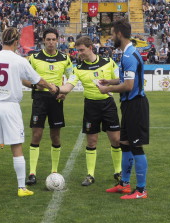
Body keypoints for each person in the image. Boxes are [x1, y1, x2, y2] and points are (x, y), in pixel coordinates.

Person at [0, 27, 56, 198]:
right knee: (16, 147)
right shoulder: (19, 60)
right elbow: (37, 80)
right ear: (16, 41)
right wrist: (51, 87)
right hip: (10, 106)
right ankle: (21, 188)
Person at [54, 36, 122, 186]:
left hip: (108, 104)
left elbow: (119, 79)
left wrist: (108, 84)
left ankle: (118, 172)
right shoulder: (78, 69)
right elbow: (69, 85)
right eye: (77, 50)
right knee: (92, 142)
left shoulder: (108, 62)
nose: (79, 53)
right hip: (91, 106)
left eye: (81, 50)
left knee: (116, 140)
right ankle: (90, 174)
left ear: (90, 48)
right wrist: (58, 89)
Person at [97, 19, 149, 199]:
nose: (111, 37)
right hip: (128, 105)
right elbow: (123, 80)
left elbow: (128, 85)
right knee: (124, 144)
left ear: (119, 34)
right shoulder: (127, 53)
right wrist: (109, 82)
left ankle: (141, 190)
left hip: (136, 105)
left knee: (136, 146)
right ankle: (125, 184)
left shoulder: (128, 56)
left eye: (112, 34)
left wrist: (106, 89)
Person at [23, 28, 73, 186]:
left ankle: (54, 170)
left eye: (53, 39)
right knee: (36, 134)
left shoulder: (65, 58)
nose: (51, 42)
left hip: (56, 98)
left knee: (55, 136)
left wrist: (64, 92)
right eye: (48, 39)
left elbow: (72, 77)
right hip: (39, 98)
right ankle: (32, 173)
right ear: (43, 40)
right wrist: (34, 86)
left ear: (58, 40)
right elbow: (23, 77)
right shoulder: (34, 58)